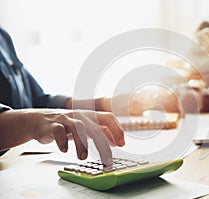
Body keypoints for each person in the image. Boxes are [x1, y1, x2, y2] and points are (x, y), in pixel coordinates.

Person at [0, 25, 125, 166]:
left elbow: (40, 101)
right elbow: (38, 116)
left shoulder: (2, 35)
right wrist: (33, 123)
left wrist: (105, 104)